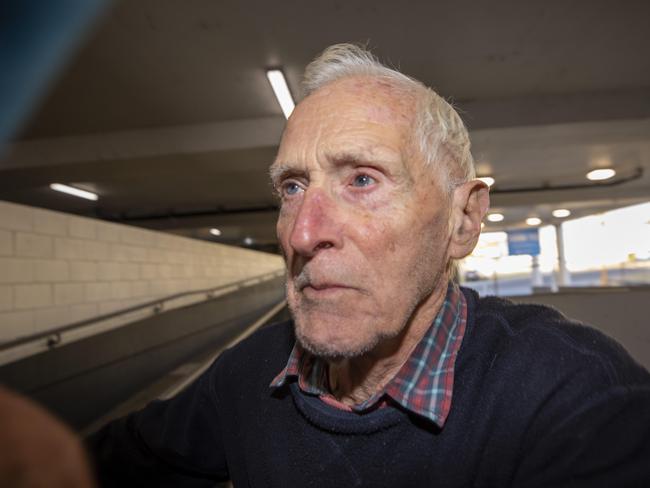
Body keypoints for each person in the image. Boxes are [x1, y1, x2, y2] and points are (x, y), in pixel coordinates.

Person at [87, 44, 650, 487]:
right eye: (291, 188)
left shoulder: (576, 398)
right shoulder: (246, 375)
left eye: (362, 180)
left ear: (463, 220)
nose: (304, 233)